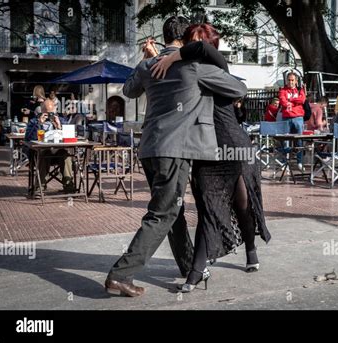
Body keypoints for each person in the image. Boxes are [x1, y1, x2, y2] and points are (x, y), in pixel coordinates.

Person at [105, 17, 248, 297]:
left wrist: (147, 59)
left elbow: (128, 90)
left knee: (173, 210)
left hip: (149, 148)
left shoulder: (149, 65)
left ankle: (186, 264)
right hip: (176, 149)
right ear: (187, 39)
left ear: (164, 36)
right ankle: (120, 274)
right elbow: (239, 90)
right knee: (164, 213)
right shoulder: (194, 66)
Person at [151, 24, 271, 292]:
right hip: (205, 147)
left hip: (232, 143)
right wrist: (160, 55)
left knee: (241, 202)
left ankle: (251, 249)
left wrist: (172, 55)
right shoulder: (187, 72)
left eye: (192, 41)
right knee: (208, 207)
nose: (188, 46)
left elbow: (201, 48)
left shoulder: (218, 68)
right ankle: (196, 271)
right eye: (185, 41)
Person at [24, 99, 74, 192]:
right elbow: (28, 139)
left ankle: (69, 186)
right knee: (44, 154)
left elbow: (69, 136)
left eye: (51, 113)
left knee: (66, 156)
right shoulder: (34, 121)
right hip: (41, 154)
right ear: (41, 111)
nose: (49, 116)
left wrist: (59, 126)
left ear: (55, 110)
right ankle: (40, 187)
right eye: (47, 113)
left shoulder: (61, 120)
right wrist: (39, 124)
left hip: (58, 152)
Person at [279, 72, 306, 170]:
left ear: (296, 81)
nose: (290, 82)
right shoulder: (283, 90)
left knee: (299, 141)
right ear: (286, 81)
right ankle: (284, 162)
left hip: (298, 117)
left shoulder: (300, 89)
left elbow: (302, 100)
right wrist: (294, 101)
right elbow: (283, 101)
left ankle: (299, 162)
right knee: (285, 140)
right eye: (289, 80)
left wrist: (290, 101)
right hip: (286, 117)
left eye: (292, 80)